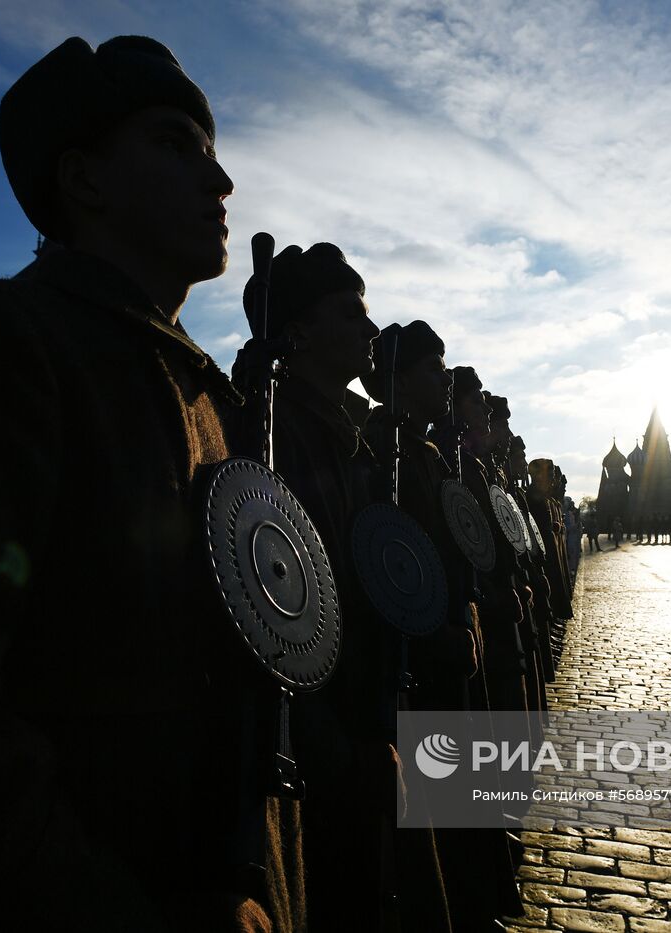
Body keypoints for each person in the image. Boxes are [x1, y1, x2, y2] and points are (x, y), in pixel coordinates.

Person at [0, 36, 300, 932]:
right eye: (175, 144)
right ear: (85, 181)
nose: (222, 182)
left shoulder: (208, 397)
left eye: (210, 150)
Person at [263, 244, 451, 933]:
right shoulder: (278, 428)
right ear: (301, 331)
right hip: (322, 723)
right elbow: (279, 599)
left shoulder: (357, 443)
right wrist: (332, 741)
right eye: (350, 312)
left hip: (369, 703)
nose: (369, 329)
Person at [360, 320, 521, 932]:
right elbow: (392, 560)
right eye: (432, 371)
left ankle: (476, 898)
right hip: (421, 655)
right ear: (400, 378)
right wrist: (433, 630)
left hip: (456, 639)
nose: (445, 385)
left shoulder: (431, 453)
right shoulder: (385, 447)